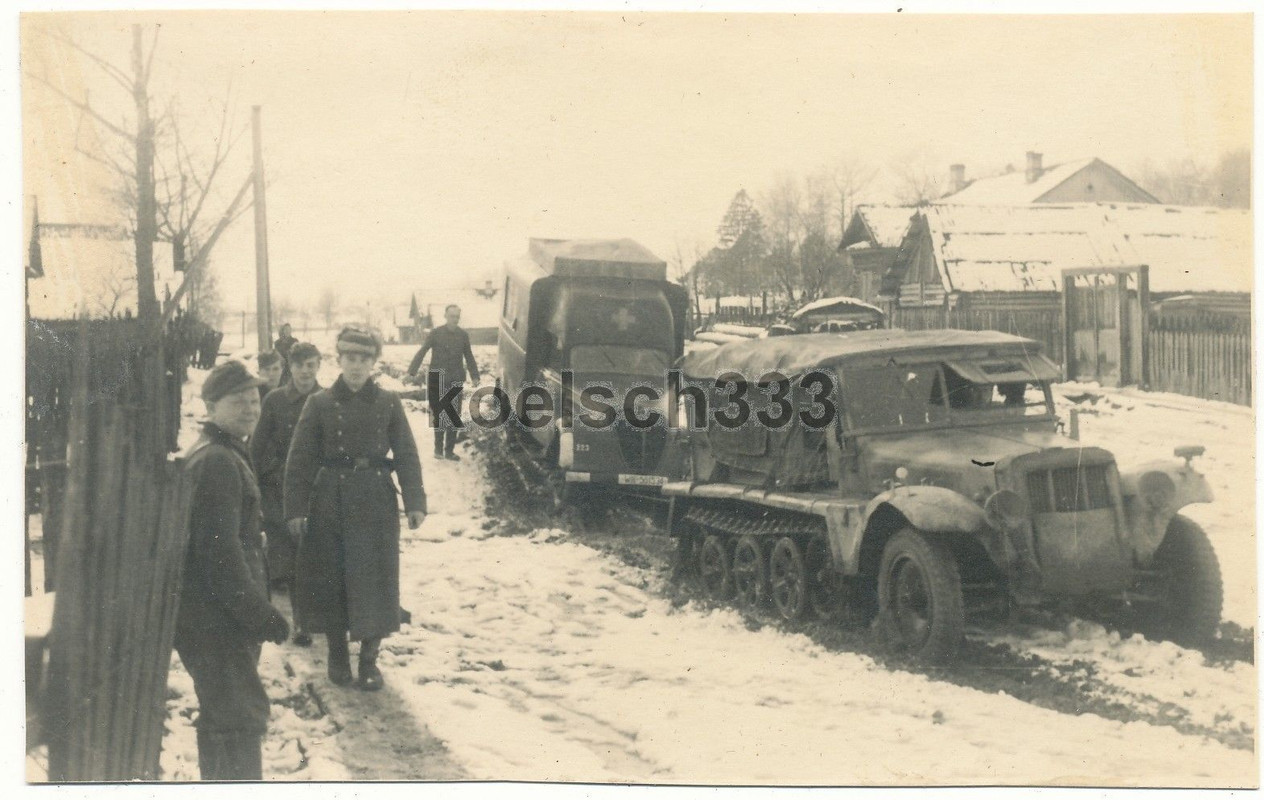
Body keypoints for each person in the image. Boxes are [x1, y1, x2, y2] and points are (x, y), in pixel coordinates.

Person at [284, 325, 426, 691]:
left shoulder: (388, 403)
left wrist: (415, 502)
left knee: (376, 579)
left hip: (376, 499)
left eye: (364, 359)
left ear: (374, 362)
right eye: (350, 358)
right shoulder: (320, 404)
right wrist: (296, 509)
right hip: (331, 498)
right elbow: (299, 460)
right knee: (333, 579)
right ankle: (336, 655)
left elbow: (407, 453)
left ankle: (369, 660)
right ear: (339, 359)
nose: (356, 366)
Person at [176, 360, 291, 781]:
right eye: (238, 401)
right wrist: (258, 614)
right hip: (215, 622)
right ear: (210, 405)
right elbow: (219, 554)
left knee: (227, 716)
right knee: (238, 718)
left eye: (255, 399)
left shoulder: (222, 452)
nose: (251, 408)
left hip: (215, 620)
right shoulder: (218, 461)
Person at [250, 342, 323, 646]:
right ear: (289, 368)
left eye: (312, 365)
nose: (306, 371)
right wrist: (271, 473)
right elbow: (257, 447)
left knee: (315, 555)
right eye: (299, 365)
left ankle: (319, 616)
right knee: (291, 556)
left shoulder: (327, 399)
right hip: (278, 490)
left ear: (319, 366)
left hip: (317, 488)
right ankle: (301, 623)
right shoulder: (275, 401)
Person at [407, 304, 480, 461]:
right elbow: (422, 351)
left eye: (457, 317)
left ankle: (449, 451)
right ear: (445, 316)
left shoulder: (463, 335)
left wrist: (475, 376)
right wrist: (411, 372)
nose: (454, 319)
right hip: (437, 378)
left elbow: (469, 356)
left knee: (453, 416)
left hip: (455, 379)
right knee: (439, 414)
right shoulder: (435, 333)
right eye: (452, 316)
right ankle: (438, 450)